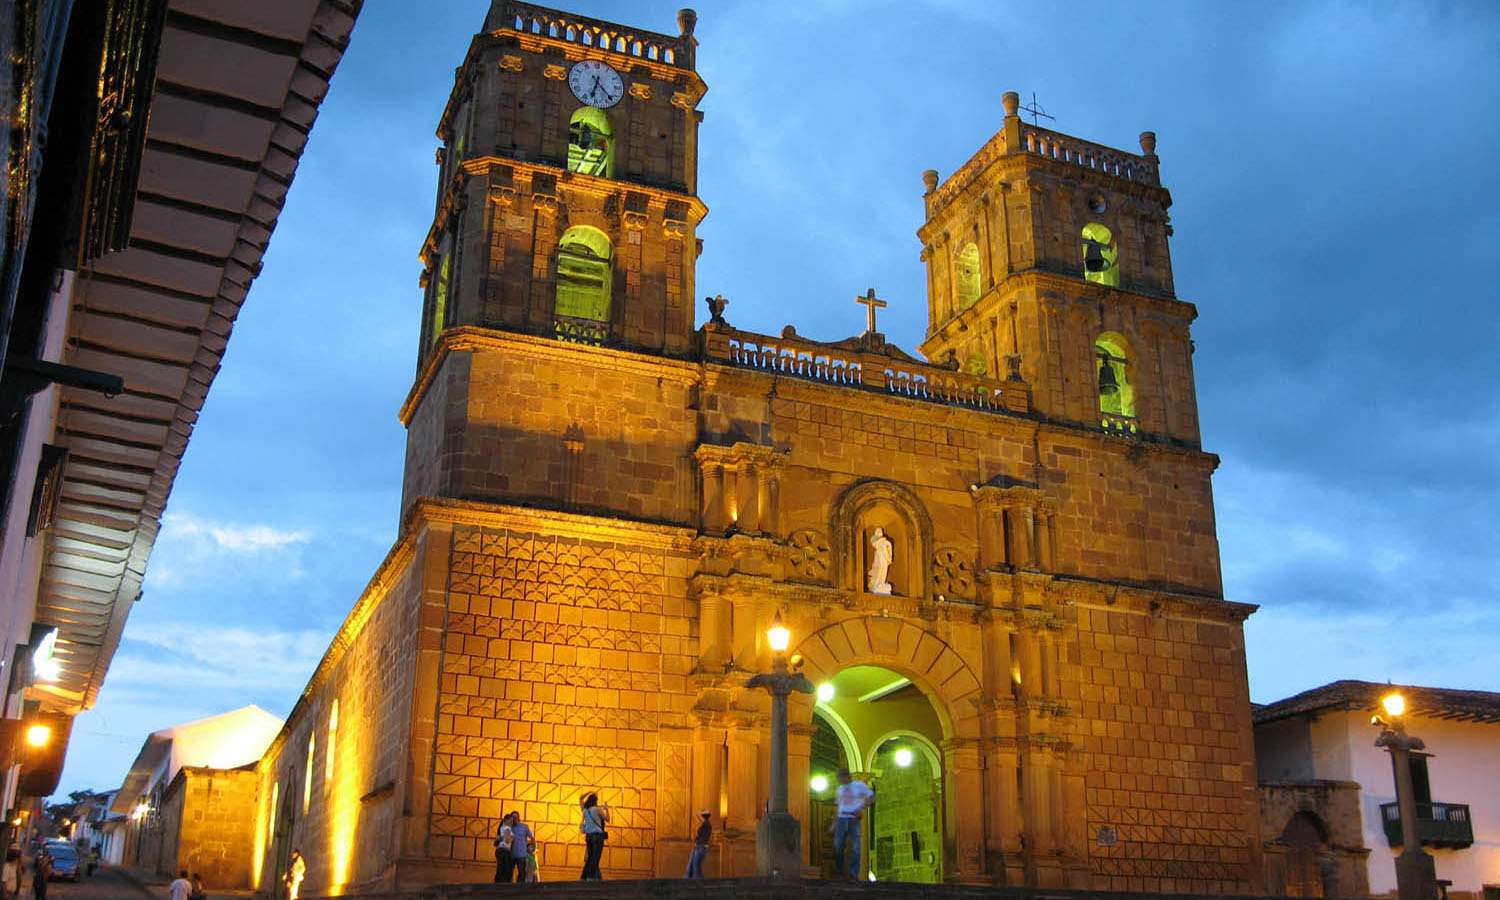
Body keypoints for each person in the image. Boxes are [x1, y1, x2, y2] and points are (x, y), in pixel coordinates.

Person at [831, 767, 874, 880]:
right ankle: (839, 872)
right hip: (841, 818)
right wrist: (834, 823)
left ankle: (853, 873)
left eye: (841, 778)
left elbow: (872, 797)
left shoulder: (859, 786)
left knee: (856, 847)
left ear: (846, 777)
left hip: (853, 818)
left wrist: (862, 807)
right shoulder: (840, 789)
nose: (840, 781)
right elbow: (838, 806)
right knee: (838, 845)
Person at [578, 793, 609, 881]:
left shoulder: (585, 810)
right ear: (595, 801)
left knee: (591, 857)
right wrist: (606, 809)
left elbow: (580, 798)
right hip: (597, 836)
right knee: (595, 858)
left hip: (589, 837)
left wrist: (589, 792)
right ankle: (590, 877)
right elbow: (607, 819)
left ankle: (584, 877)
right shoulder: (598, 809)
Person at [506, 812, 534, 884]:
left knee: (521, 872)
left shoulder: (524, 827)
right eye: (513, 817)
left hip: (522, 854)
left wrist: (532, 848)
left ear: (519, 818)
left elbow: (532, 837)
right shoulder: (509, 828)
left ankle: (520, 888)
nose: (515, 819)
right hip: (511, 853)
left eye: (516, 817)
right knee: (509, 872)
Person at [684, 811, 711, 878]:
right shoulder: (704, 824)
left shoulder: (707, 824)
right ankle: (687, 880)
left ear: (703, 817)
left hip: (701, 847)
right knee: (691, 865)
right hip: (699, 847)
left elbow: (704, 837)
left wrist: (700, 813)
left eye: (700, 817)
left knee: (696, 866)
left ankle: (699, 882)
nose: (698, 818)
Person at [493, 813, 515, 883]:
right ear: (506, 820)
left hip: (500, 850)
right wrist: (512, 838)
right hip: (504, 850)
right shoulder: (507, 828)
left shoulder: (502, 828)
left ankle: (497, 883)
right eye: (510, 821)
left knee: (500, 868)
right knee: (505, 869)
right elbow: (508, 840)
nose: (511, 823)